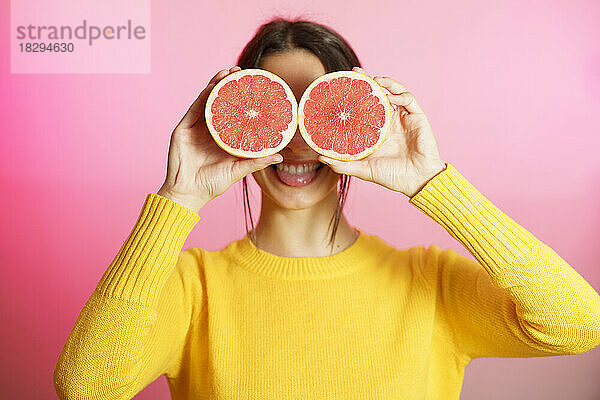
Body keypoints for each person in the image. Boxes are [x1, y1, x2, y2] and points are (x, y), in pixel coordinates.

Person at [53, 18, 600, 400]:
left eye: (318, 112)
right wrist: (178, 198)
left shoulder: (429, 284)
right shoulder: (191, 288)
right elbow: (86, 387)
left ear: (360, 120)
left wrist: (433, 183)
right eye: (271, 114)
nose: (295, 143)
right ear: (232, 129)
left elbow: (577, 324)